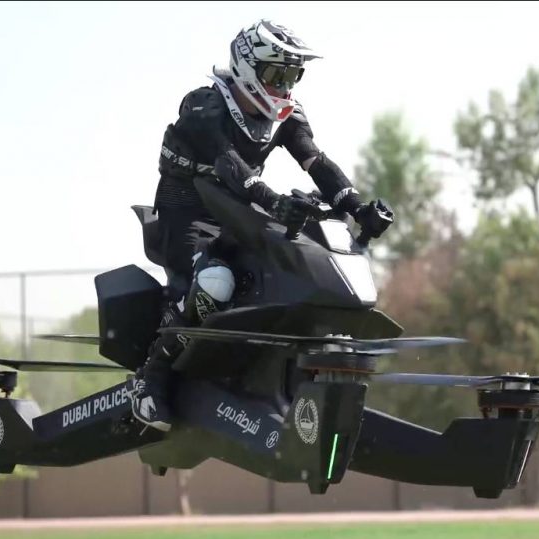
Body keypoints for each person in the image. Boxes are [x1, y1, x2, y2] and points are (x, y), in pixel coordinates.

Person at [130, 19, 393, 431]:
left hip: (238, 207)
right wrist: (273, 202)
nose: (285, 86)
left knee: (284, 273)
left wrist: (358, 208)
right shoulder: (203, 106)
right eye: (277, 74)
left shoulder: (288, 114)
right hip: (188, 212)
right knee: (216, 282)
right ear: (248, 68)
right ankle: (151, 377)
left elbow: (316, 162)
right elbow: (229, 165)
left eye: (293, 75)